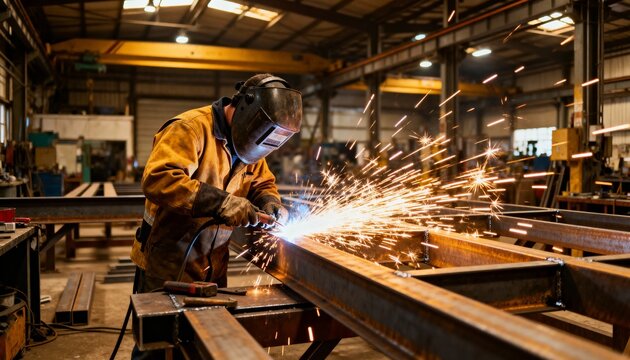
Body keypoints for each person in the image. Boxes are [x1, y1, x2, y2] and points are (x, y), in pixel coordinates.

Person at [131, 73, 301, 292]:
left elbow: (262, 182)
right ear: (245, 110)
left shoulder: (251, 146)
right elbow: (159, 179)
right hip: (168, 261)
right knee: (166, 325)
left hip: (215, 263)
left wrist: (270, 202)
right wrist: (221, 203)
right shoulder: (190, 128)